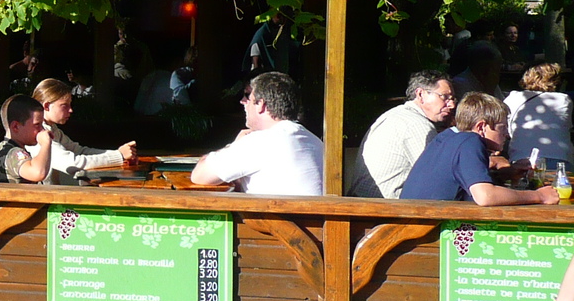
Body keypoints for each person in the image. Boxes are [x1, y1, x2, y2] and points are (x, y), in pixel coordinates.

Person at [401, 92, 553, 203]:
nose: (507, 135)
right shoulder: (470, 141)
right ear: (481, 126)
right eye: (503, 127)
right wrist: (539, 196)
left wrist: (505, 173)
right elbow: (486, 197)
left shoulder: (449, 137)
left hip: (419, 222)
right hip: (429, 233)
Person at [191, 72, 324, 195]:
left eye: (248, 97)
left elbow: (199, 175)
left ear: (260, 104)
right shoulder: (315, 141)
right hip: (311, 219)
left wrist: (233, 145)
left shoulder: (261, 142)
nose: (243, 102)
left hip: (273, 220)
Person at [345, 71, 456, 198]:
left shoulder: (395, 115)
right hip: (382, 211)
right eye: (444, 97)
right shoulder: (416, 124)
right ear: (420, 94)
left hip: (364, 205)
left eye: (453, 98)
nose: (451, 104)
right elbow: (437, 180)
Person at [28, 78, 135, 182]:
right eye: (64, 105)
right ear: (46, 106)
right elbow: (74, 163)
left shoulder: (53, 129)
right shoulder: (38, 133)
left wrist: (118, 153)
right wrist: (119, 156)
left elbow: (79, 150)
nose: (71, 110)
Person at [506, 63, 572, 167]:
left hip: (521, 159)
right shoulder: (564, 99)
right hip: (560, 159)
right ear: (556, 80)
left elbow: (506, 130)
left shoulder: (513, 98)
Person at [0, 94, 52, 183]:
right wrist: (46, 144)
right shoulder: (12, 153)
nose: (42, 130)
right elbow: (38, 173)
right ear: (15, 127)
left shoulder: (6, 149)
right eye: (37, 125)